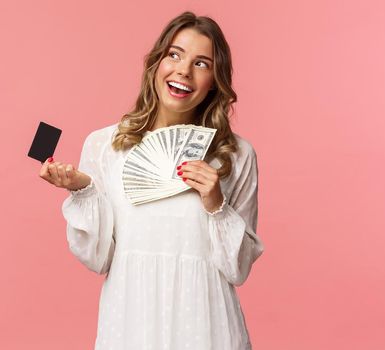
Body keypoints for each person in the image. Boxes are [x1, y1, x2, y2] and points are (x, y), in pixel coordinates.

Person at [37, 11, 264, 350]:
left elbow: (238, 269)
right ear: (157, 62)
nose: (184, 70)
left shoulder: (235, 154)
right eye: (174, 54)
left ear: (216, 80)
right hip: (132, 321)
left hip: (207, 325)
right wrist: (83, 190)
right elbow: (99, 258)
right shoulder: (104, 145)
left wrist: (216, 203)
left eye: (202, 63)